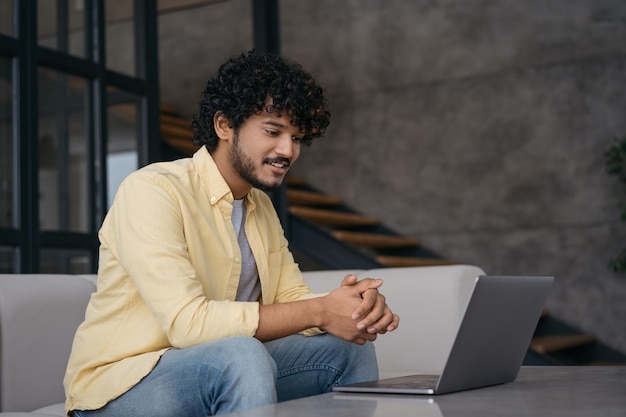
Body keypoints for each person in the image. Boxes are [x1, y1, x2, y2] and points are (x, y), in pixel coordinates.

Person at [64, 50, 399, 417]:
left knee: (348, 348)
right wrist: (319, 310)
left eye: (297, 137)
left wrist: (350, 309)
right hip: (120, 388)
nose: (288, 150)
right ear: (224, 126)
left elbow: (292, 298)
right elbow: (187, 325)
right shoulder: (153, 190)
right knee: (240, 353)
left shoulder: (260, 207)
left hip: (216, 367)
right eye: (273, 131)